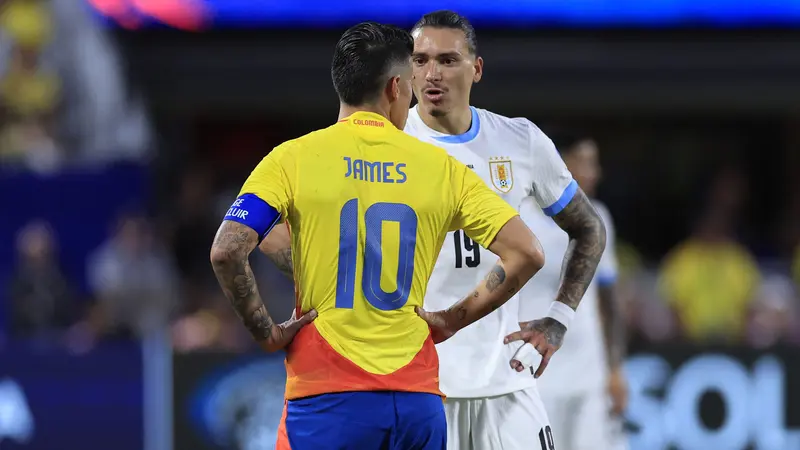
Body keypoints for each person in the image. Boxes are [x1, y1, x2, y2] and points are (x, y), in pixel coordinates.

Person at [210, 21, 546, 450]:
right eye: (410, 82)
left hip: (327, 398)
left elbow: (227, 250)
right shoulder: (440, 168)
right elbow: (527, 252)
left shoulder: (293, 159)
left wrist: (267, 333)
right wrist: (450, 320)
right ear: (394, 88)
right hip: (417, 402)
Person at [402, 11, 608, 450]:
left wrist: (559, 318)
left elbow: (589, 228)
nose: (431, 73)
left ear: (476, 69)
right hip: (416, 384)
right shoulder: (384, 144)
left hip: (506, 381)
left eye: (448, 60)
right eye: (419, 60)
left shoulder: (519, 141)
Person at [519, 133, 628, 450]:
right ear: (559, 163)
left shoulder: (599, 218)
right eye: (585, 162)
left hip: (589, 372)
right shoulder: (521, 218)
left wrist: (616, 369)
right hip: (537, 373)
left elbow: (609, 301)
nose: (594, 173)